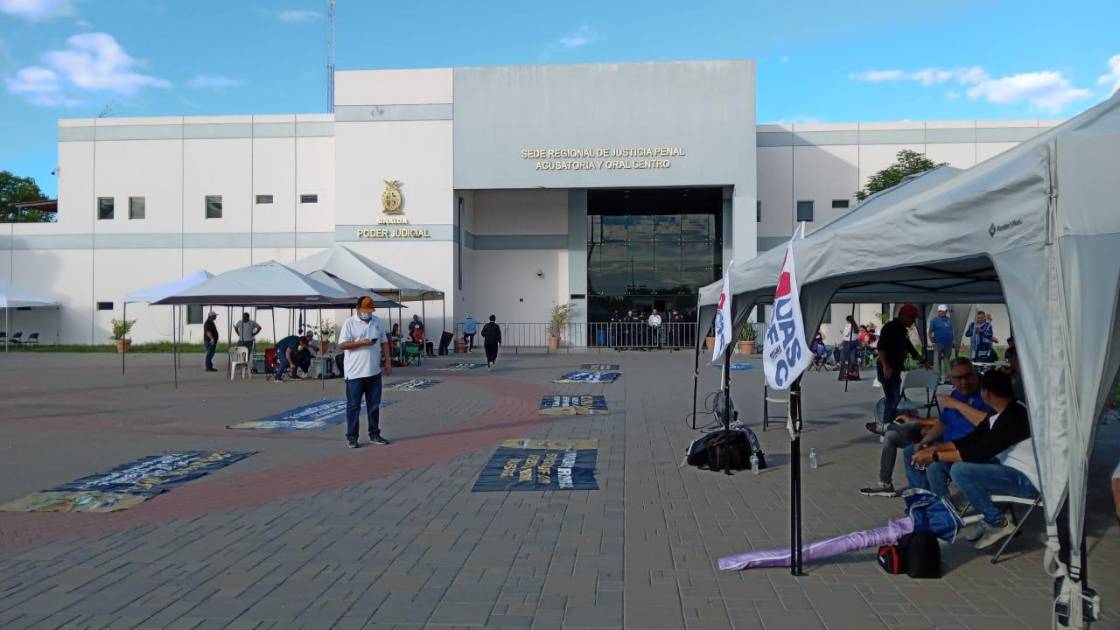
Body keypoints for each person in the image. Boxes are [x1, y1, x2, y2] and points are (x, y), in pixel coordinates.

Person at [910, 370, 1037, 549]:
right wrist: (934, 449)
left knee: (961, 470)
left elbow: (979, 453)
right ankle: (946, 517)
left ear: (987, 393)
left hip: (1027, 480)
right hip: (1007, 470)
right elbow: (969, 440)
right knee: (937, 466)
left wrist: (934, 455)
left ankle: (998, 522)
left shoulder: (1015, 416)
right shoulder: (999, 414)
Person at [860, 358, 990, 497]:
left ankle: (934, 502)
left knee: (918, 451)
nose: (964, 382)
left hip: (962, 448)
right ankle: (914, 495)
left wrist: (957, 405)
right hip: (945, 440)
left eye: (968, 376)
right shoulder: (957, 394)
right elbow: (943, 422)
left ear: (975, 374)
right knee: (901, 439)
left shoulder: (986, 394)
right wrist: (924, 440)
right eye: (959, 378)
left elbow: (988, 423)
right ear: (951, 379)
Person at [338, 296, 392, 448]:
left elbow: (384, 342)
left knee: (374, 405)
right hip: (355, 374)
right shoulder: (349, 323)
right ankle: (352, 437)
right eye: (364, 310)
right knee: (354, 406)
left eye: (369, 311)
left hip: (374, 372)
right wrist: (360, 343)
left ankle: (374, 434)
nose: (367, 313)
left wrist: (388, 361)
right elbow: (342, 345)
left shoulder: (377, 321)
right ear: (357, 309)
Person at [868, 304, 928, 435]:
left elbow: (910, 348)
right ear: (904, 316)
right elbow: (881, 348)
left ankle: (889, 424)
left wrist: (923, 361)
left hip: (895, 369)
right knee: (892, 399)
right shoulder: (890, 328)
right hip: (887, 368)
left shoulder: (902, 330)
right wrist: (886, 366)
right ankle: (886, 426)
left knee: (894, 398)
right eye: (912, 318)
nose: (913, 322)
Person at [928, 305, 955, 382]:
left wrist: (953, 340)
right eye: (940, 311)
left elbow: (953, 330)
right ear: (938, 311)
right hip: (938, 343)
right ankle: (937, 379)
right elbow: (930, 332)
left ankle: (948, 378)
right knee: (936, 361)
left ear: (946, 311)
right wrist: (932, 341)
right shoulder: (934, 321)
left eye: (944, 311)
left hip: (948, 344)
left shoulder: (950, 320)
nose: (942, 312)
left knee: (947, 360)